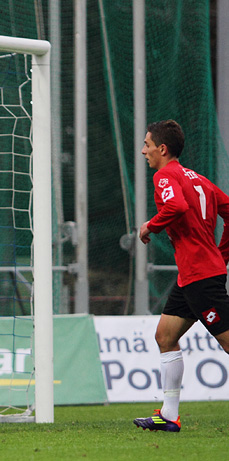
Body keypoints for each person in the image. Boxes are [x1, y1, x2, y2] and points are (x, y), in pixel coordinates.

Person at [133, 120, 229, 432]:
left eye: (147, 144)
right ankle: (169, 416)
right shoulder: (198, 179)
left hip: (201, 276)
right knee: (165, 336)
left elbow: (175, 205)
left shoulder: (165, 175)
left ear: (162, 149)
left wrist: (150, 226)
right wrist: (222, 252)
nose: (144, 150)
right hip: (193, 275)